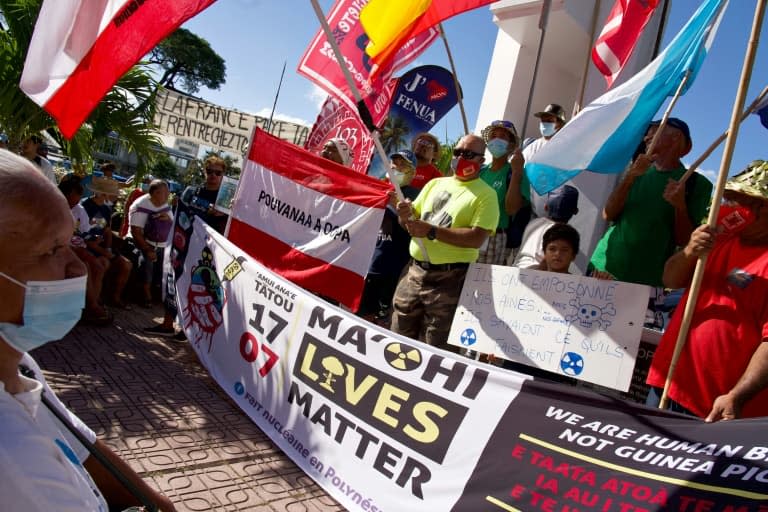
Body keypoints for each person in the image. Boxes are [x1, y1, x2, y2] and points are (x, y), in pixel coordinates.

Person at [0, 149, 176, 511]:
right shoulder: (11, 455)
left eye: (69, 245)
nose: (77, 269)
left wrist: (157, 503)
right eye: (52, 250)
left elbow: (81, 445)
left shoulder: (20, 366)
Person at [646, 160, 768, 421]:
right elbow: (671, 278)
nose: (729, 207)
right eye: (728, 198)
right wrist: (690, 250)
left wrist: (737, 395)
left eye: (738, 200)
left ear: (762, 207)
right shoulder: (719, 240)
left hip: (720, 407)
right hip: (669, 383)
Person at [390, 134, 499, 352]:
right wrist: (404, 214)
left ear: (480, 161)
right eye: (458, 152)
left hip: (450, 280)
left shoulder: (487, 195)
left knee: (436, 348)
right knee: (397, 339)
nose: (460, 157)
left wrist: (432, 231)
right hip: (414, 273)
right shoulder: (435, 184)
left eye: (468, 154)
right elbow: (410, 223)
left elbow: (477, 238)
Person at [589, 118, 713, 287]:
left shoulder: (696, 183)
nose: (646, 137)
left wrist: (680, 206)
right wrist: (631, 177)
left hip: (648, 281)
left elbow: (684, 241)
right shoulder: (636, 171)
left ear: (675, 137)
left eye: (654, 131)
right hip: (603, 268)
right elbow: (607, 214)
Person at [145, 157, 229, 338]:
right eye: (210, 171)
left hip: (206, 254)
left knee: (197, 290)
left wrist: (224, 214)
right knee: (173, 282)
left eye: (218, 173)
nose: (213, 176)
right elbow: (177, 214)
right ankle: (167, 324)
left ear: (223, 175)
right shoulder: (192, 192)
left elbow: (228, 229)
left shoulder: (226, 200)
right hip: (182, 247)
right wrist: (176, 205)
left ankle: (187, 332)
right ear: (204, 172)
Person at [81, 177, 133, 308]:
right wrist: (103, 251)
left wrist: (108, 249)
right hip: (85, 246)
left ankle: (114, 298)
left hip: (100, 246)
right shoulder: (84, 207)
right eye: (113, 193)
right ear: (103, 194)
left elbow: (107, 230)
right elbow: (81, 236)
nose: (116, 196)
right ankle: (93, 301)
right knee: (102, 264)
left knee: (126, 265)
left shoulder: (106, 209)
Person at [477, 119, 521, 265]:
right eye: (493, 136)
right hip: (469, 231)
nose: (496, 139)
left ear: (511, 145)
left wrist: (516, 173)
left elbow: (511, 209)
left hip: (493, 236)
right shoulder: (480, 171)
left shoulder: (514, 172)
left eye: (502, 136)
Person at [126, 179, 173, 308]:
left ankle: (158, 292)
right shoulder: (140, 205)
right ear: (156, 193)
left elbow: (172, 224)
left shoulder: (164, 205)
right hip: (141, 243)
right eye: (166, 192)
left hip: (162, 245)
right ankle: (145, 293)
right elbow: (136, 232)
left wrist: (168, 219)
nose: (169, 195)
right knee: (146, 261)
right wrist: (148, 249)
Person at [513, 185, 580, 273]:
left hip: (516, 271)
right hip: (536, 276)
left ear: (546, 207)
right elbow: (545, 262)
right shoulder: (558, 233)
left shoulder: (534, 223)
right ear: (576, 211)